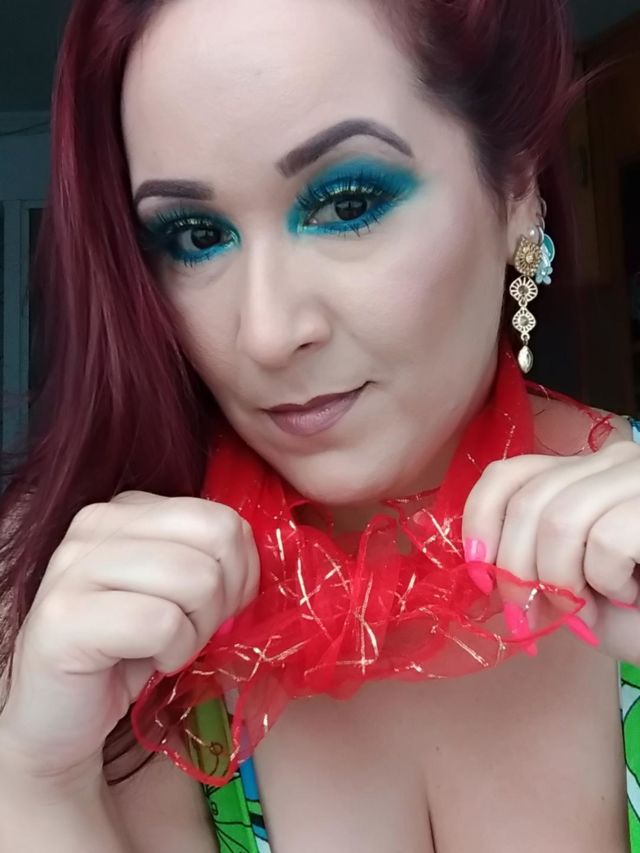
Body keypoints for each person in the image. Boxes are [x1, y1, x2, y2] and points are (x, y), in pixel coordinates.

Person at [0, 0, 639, 851]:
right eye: (195, 235)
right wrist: (38, 787)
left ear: (517, 189)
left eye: (346, 203)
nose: (266, 333)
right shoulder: (61, 601)